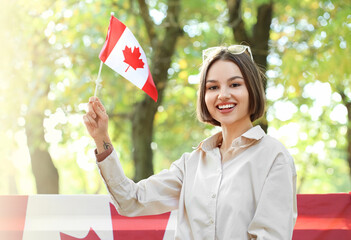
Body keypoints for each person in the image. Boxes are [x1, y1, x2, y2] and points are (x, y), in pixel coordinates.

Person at [83, 45, 297, 239]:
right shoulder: (191, 164)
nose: (223, 95)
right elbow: (131, 201)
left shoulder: (274, 157)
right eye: (212, 87)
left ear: (252, 90)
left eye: (234, 84)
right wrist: (101, 138)